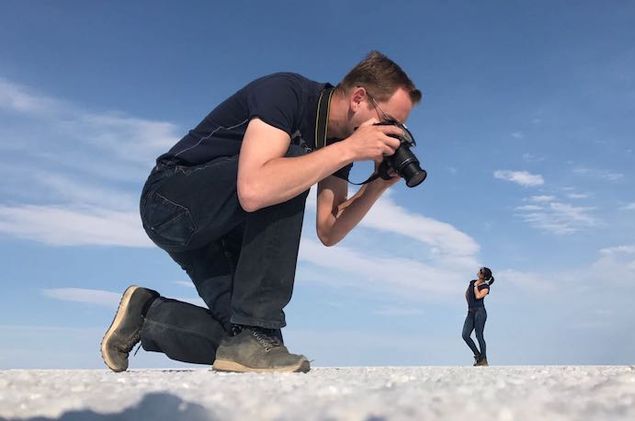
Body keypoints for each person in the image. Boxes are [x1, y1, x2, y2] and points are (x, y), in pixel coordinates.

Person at [100, 51, 422, 373]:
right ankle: (255, 330)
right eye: (390, 122)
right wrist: (347, 150)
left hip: (220, 233)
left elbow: (329, 229)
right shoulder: (287, 93)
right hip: (171, 200)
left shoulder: (338, 145)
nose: (392, 136)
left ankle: (147, 317)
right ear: (359, 98)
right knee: (290, 167)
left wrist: (377, 185)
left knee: (246, 339)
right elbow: (255, 190)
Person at [462, 267, 494, 366]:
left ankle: (483, 359)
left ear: (484, 276)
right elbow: (467, 294)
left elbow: (478, 296)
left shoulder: (485, 287)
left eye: (481, 271)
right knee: (465, 335)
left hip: (480, 312)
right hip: (470, 312)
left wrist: (476, 287)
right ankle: (478, 356)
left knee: (479, 335)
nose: (479, 271)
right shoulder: (472, 282)